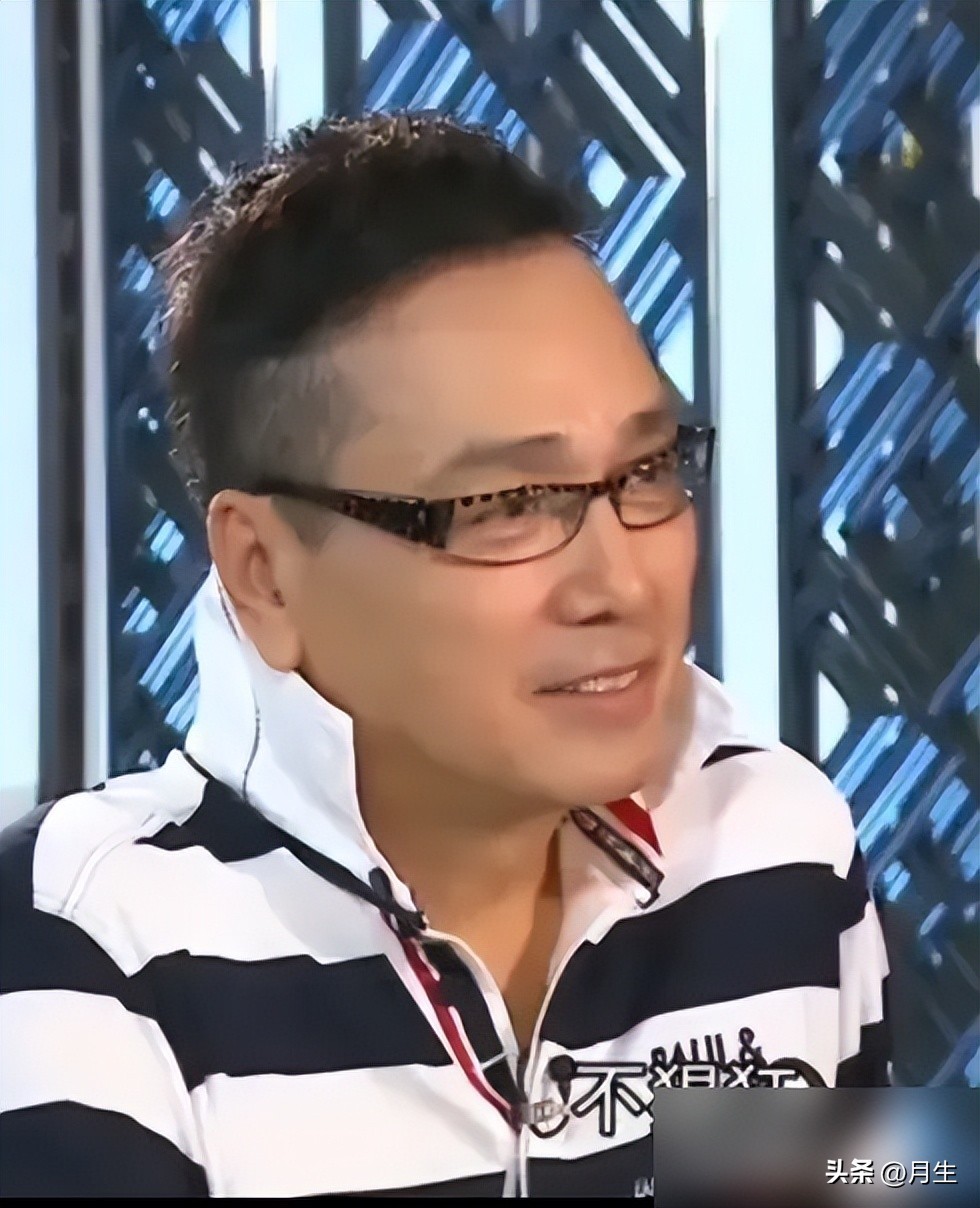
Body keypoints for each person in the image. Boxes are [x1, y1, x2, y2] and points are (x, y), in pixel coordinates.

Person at [0, 111, 890, 1198]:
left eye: (648, 469)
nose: (620, 583)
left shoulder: (774, 845)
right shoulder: (85, 947)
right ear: (265, 571)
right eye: (507, 504)